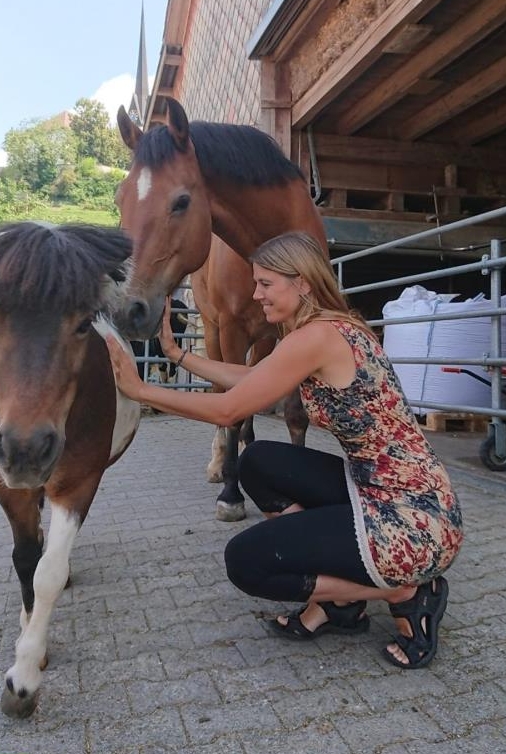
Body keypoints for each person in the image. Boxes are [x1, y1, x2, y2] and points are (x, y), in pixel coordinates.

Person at [106, 231, 463, 670]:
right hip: (383, 491)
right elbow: (252, 378)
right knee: (257, 462)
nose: (256, 295)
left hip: (414, 520)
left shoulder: (316, 337)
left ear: (304, 283)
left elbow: (228, 409)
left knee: (248, 562)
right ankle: (340, 601)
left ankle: (405, 591)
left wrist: (141, 390)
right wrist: (179, 356)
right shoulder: (331, 327)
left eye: (266, 284)